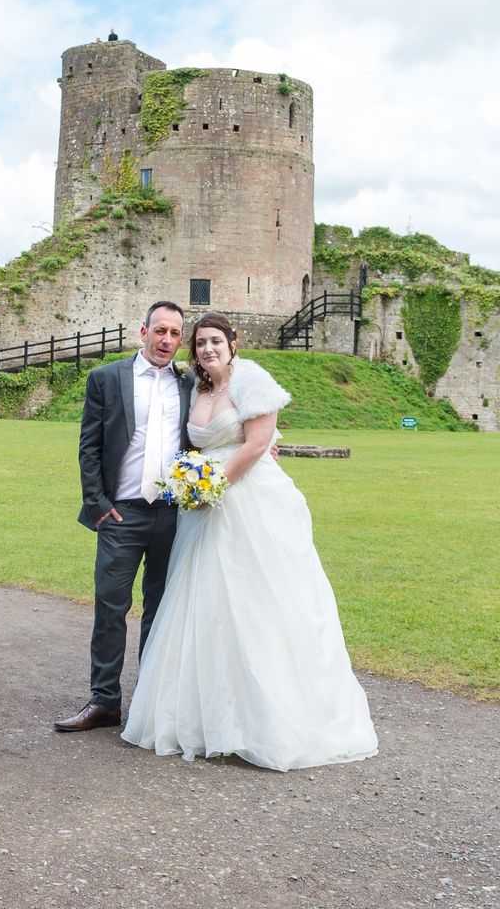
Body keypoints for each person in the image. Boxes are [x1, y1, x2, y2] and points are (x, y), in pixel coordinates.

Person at [121, 312, 378, 770]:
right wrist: (193, 483)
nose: (207, 349)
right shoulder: (196, 388)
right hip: (203, 512)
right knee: (205, 603)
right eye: (200, 342)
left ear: (233, 343)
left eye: (215, 341)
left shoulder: (252, 380)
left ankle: (267, 720)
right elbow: (191, 444)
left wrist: (213, 485)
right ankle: (203, 716)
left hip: (249, 502)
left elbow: (257, 445)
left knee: (256, 599)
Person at [55, 300, 193, 732]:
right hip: (121, 515)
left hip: (173, 515)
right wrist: (98, 505)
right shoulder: (107, 378)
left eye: (175, 333)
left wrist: (266, 444)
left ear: (181, 339)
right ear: (143, 332)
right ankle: (104, 701)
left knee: (161, 610)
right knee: (110, 606)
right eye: (160, 331)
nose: (166, 340)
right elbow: (89, 446)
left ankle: (150, 703)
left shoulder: (189, 383)